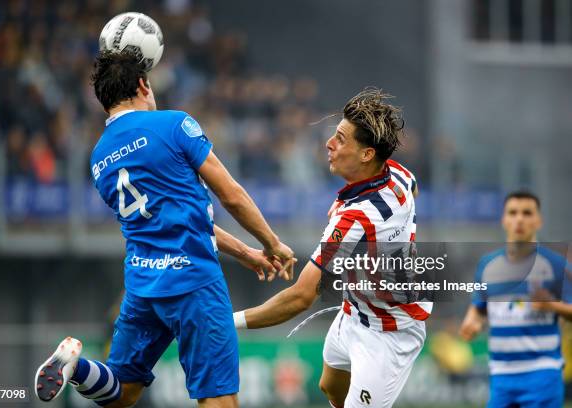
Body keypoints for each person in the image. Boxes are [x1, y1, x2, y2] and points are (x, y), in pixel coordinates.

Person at [34, 50, 295, 408]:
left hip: (142, 288)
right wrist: (272, 242)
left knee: (121, 393)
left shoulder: (98, 157)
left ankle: (76, 368)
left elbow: (172, 219)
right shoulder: (174, 125)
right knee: (219, 400)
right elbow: (231, 196)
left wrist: (245, 252)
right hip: (194, 284)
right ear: (143, 85)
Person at [232, 88, 432, 408]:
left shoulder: (355, 219)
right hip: (354, 311)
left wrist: (230, 323)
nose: (329, 143)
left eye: (340, 138)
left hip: (389, 334)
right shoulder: (398, 175)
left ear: (367, 154)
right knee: (330, 386)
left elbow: (300, 297)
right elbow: (414, 191)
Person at [459, 191, 572, 408]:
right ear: (504, 219)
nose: (519, 219)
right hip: (501, 375)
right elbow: (479, 306)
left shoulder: (556, 265)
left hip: (542, 373)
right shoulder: (487, 265)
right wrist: (471, 321)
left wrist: (551, 305)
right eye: (513, 212)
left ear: (538, 220)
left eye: (527, 213)